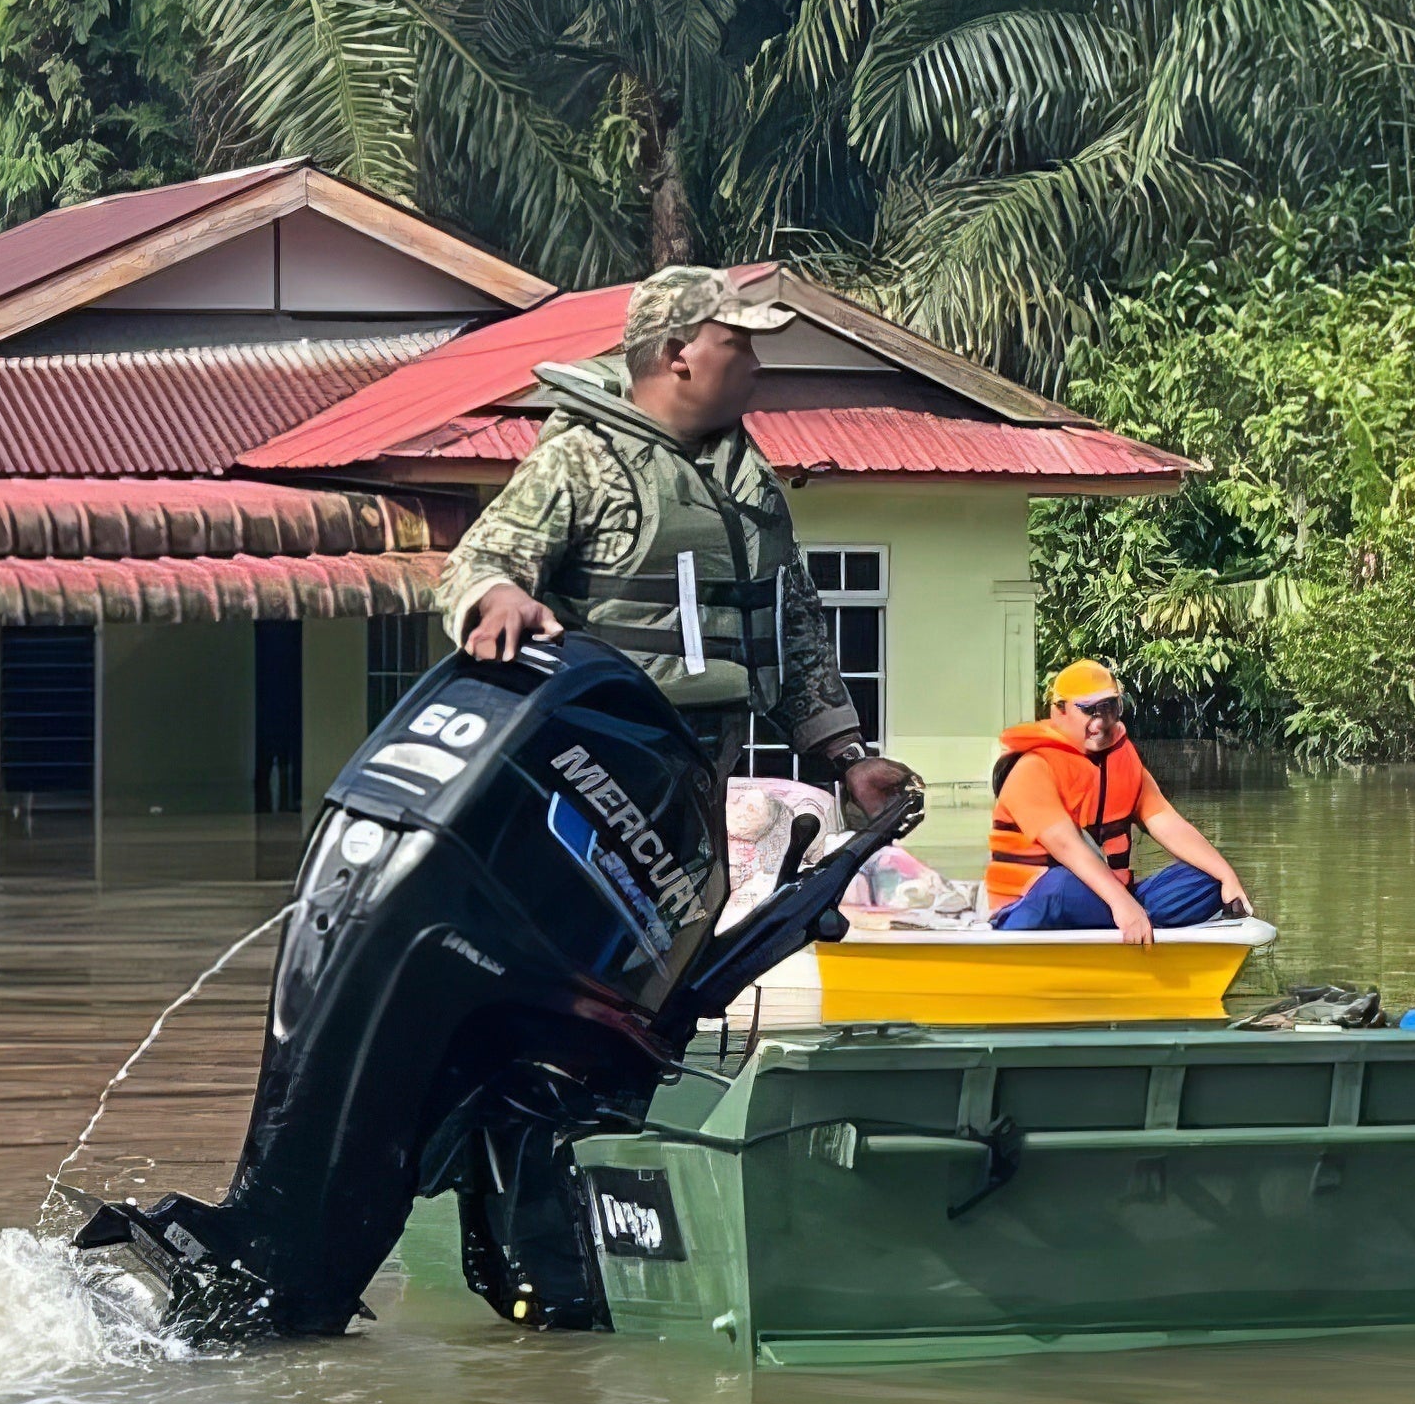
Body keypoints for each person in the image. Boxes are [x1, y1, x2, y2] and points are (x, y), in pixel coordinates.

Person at [444, 265, 914, 822]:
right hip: (596, 778)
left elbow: (791, 622)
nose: (756, 365)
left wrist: (848, 758)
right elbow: (483, 558)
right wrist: (498, 595)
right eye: (736, 345)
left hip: (701, 787)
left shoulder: (747, 479)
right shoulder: (585, 459)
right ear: (677, 354)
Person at [988, 661, 1255, 941]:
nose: (1101, 721)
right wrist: (1122, 904)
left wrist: (1227, 875)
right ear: (1059, 710)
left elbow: (1167, 823)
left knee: (1208, 878)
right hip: (1034, 904)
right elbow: (1065, 845)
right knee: (1061, 886)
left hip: (1106, 900)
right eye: (1089, 710)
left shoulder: (1124, 763)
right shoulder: (1030, 768)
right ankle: (1130, 918)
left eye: (1109, 707)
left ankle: (1134, 921)